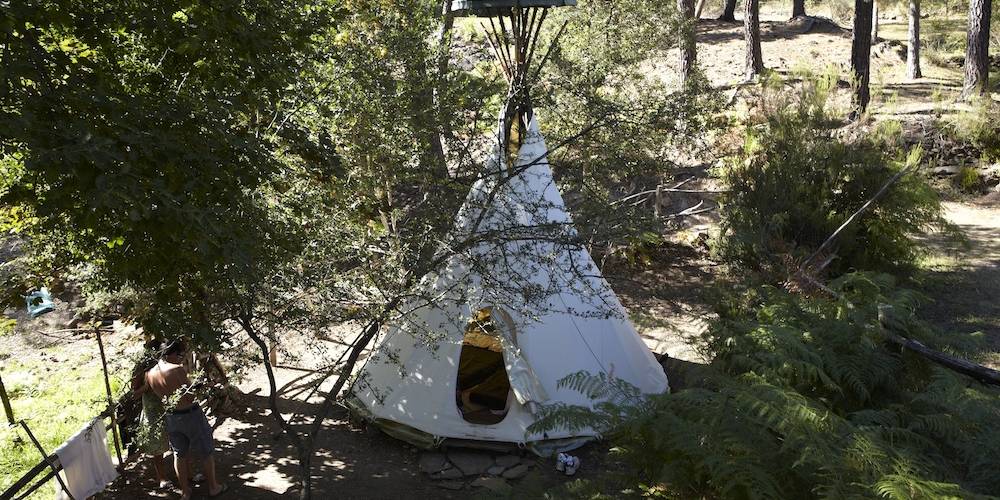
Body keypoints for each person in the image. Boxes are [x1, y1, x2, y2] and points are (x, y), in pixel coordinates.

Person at [146, 339, 227, 499]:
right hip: (190, 414)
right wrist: (204, 387)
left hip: (171, 417)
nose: (181, 359)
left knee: (179, 454)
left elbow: (166, 395)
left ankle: (185, 492)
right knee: (206, 451)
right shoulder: (176, 370)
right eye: (180, 355)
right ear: (173, 353)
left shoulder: (150, 374)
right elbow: (189, 396)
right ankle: (213, 487)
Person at [130, 339, 172, 490]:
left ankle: (188, 475)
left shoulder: (165, 363)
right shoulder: (140, 369)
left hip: (169, 407)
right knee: (157, 448)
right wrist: (146, 387)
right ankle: (161, 478)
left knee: (180, 443)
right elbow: (134, 394)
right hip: (153, 411)